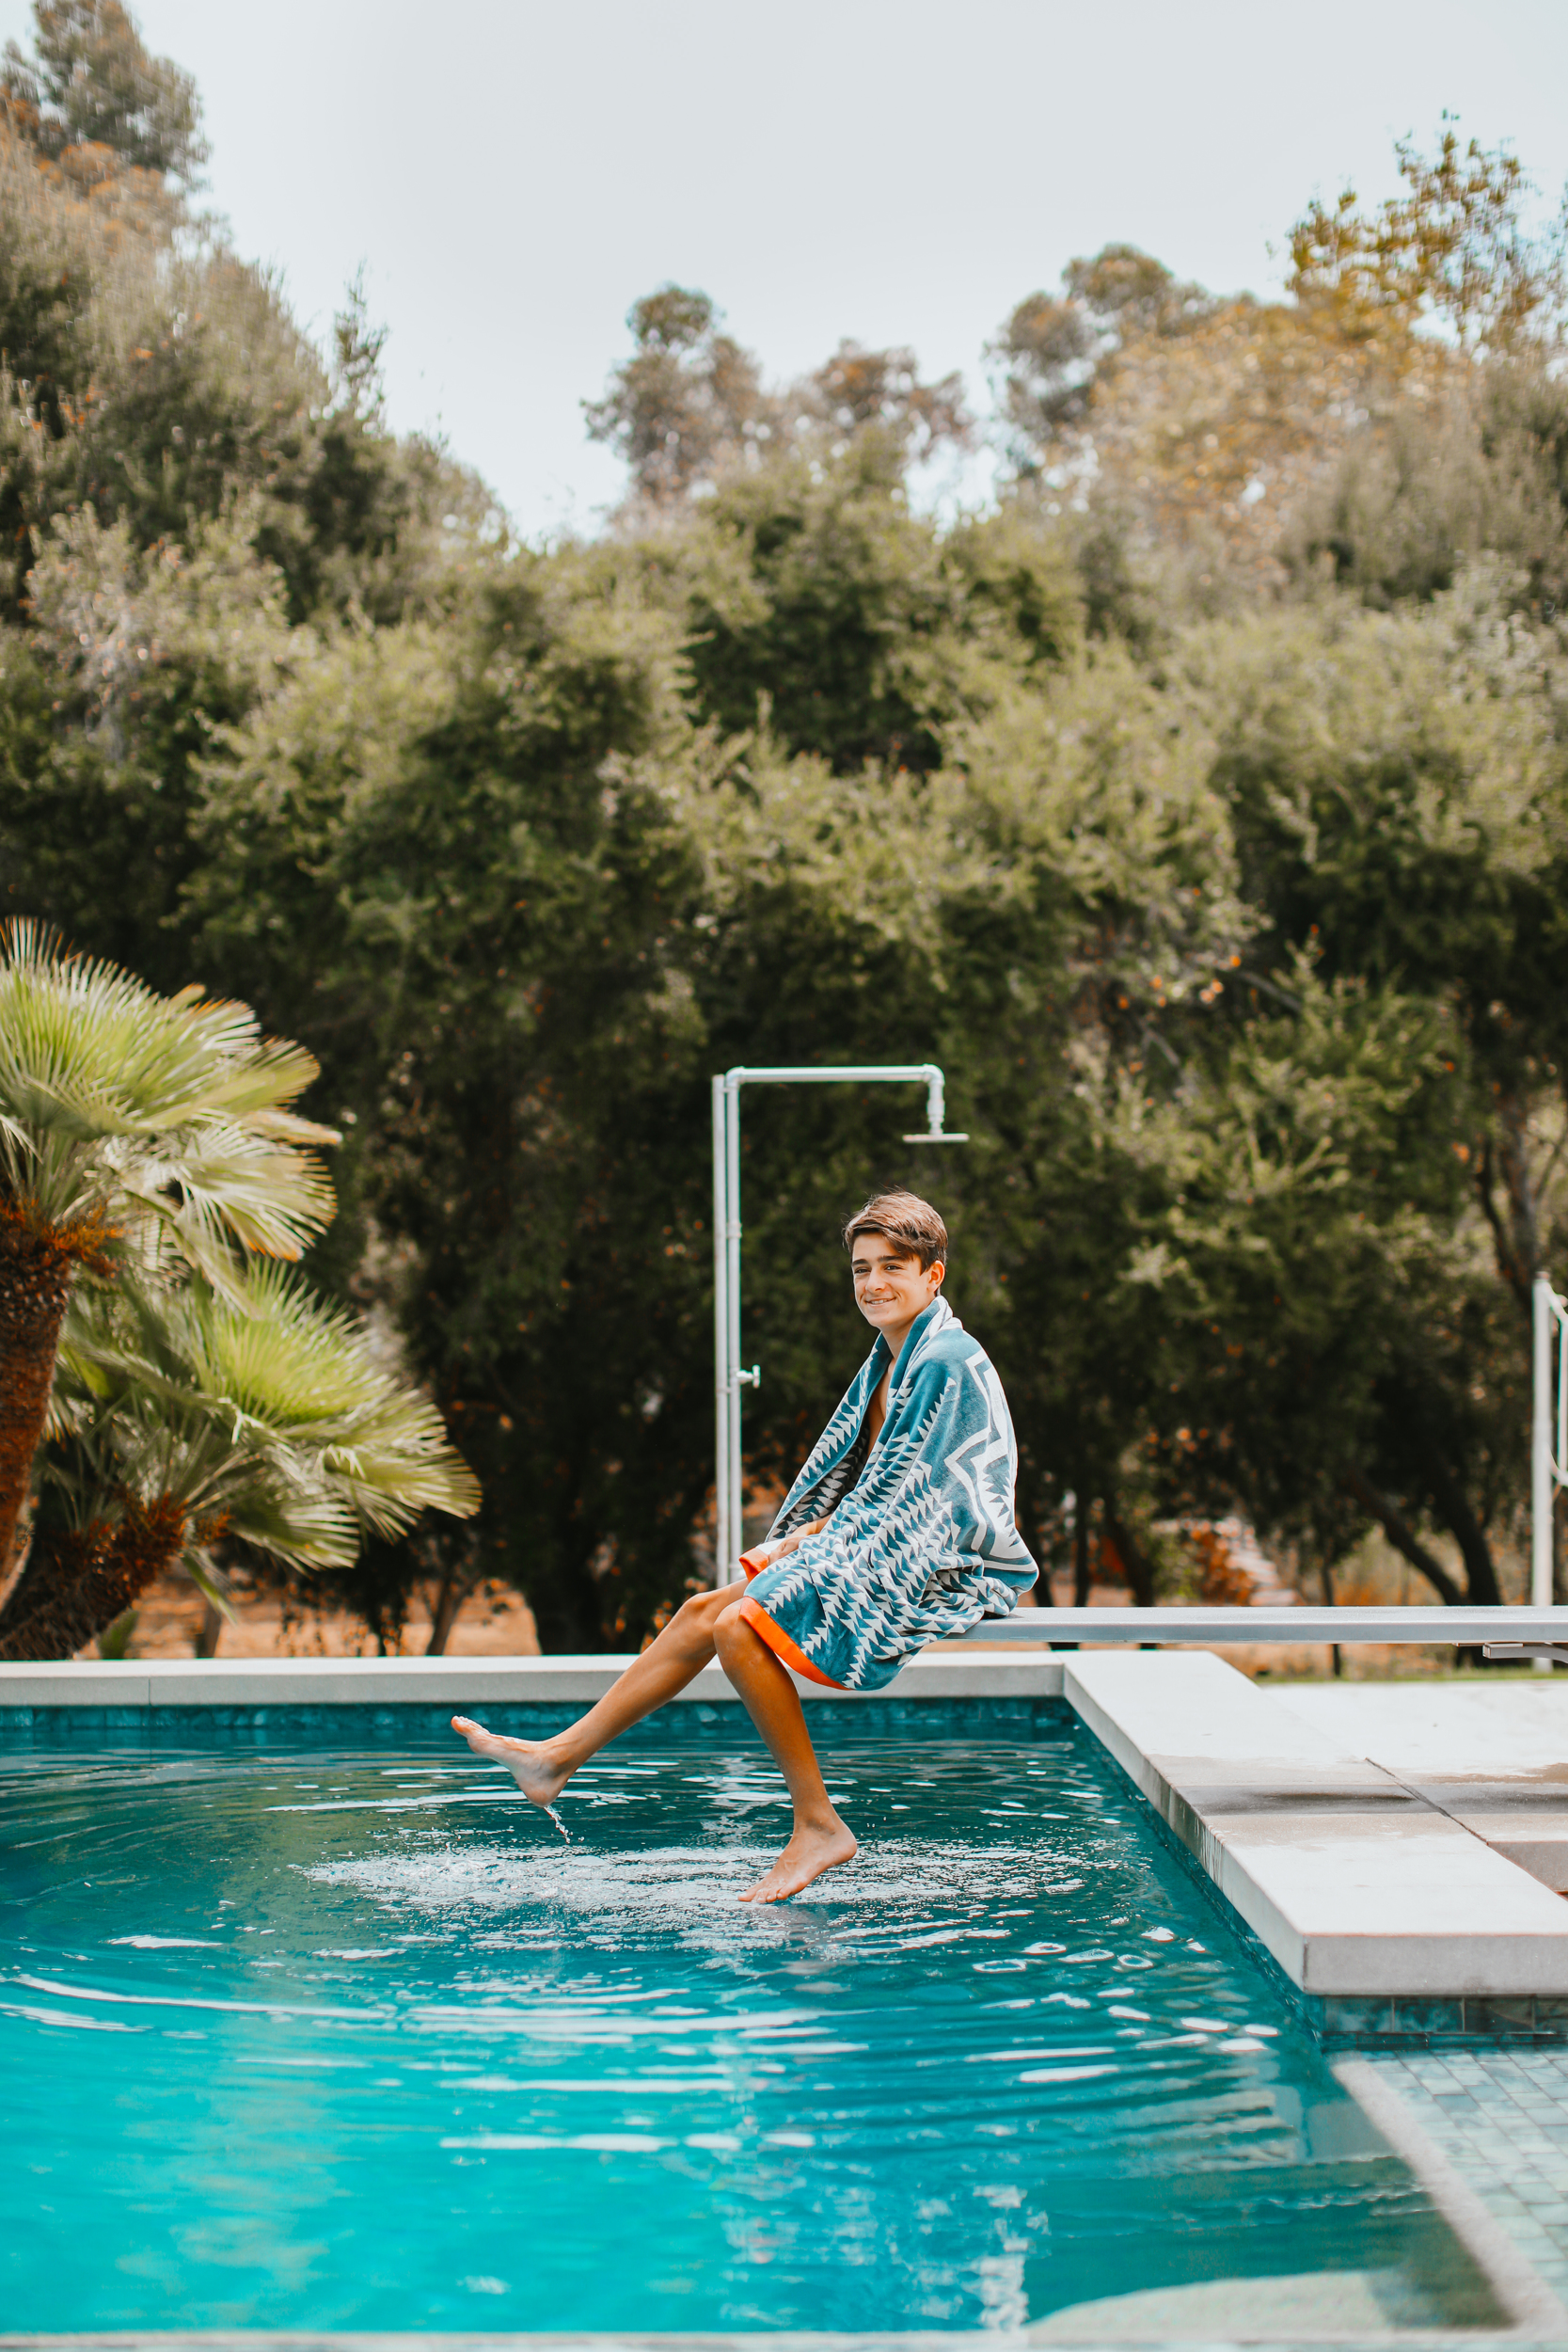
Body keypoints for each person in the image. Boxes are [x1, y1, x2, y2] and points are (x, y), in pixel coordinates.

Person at [451, 1190, 1037, 1902]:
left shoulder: (945, 1358)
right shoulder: (889, 1358)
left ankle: (818, 1825)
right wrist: (814, 1537)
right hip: (880, 1538)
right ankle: (557, 1758)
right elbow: (863, 1478)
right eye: (860, 1269)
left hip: (943, 1557)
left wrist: (817, 1541)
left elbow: (935, 1498)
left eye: (893, 1267)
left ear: (932, 1276)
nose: (873, 1284)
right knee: (704, 1610)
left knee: (737, 1624)